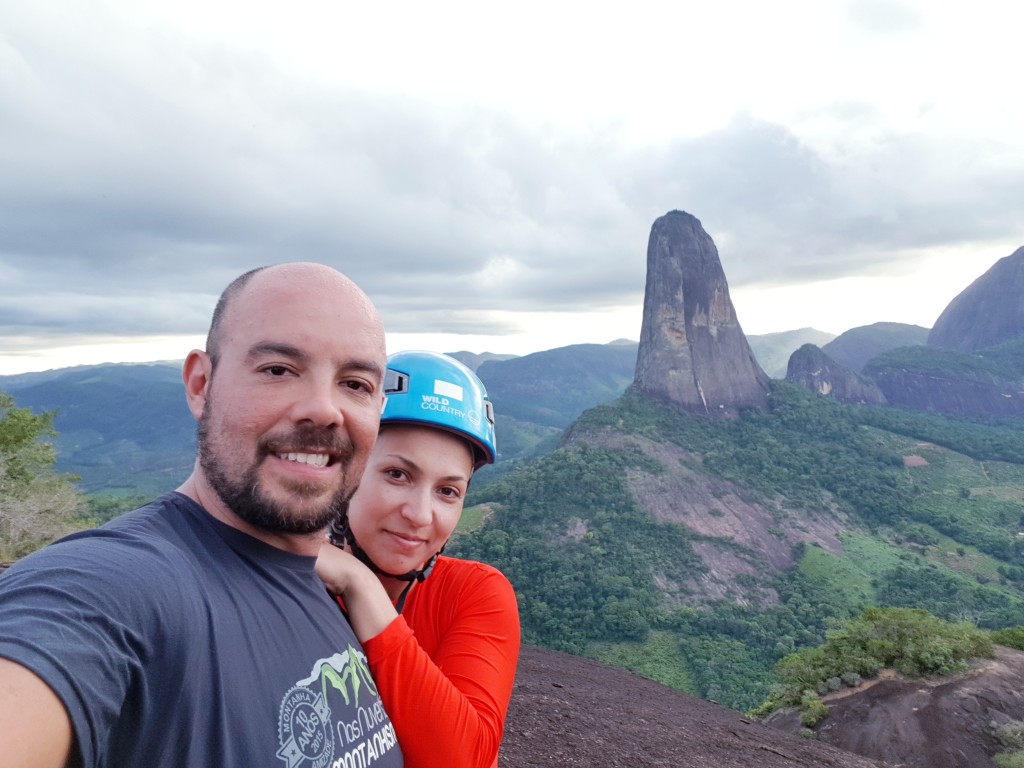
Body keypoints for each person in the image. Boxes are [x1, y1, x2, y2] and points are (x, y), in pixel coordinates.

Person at [0, 263, 404, 768]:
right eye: (278, 369)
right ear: (200, 384)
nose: (324, 409)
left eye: (356, 384)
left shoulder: (325, 589)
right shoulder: (119, 588)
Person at [316, 350, 520, 768]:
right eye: (397, 474)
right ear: (347, 471)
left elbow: (465, 760)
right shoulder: (287, 582)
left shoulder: (474, 593)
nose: (420, 514)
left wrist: (361, 588)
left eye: (448, 491)